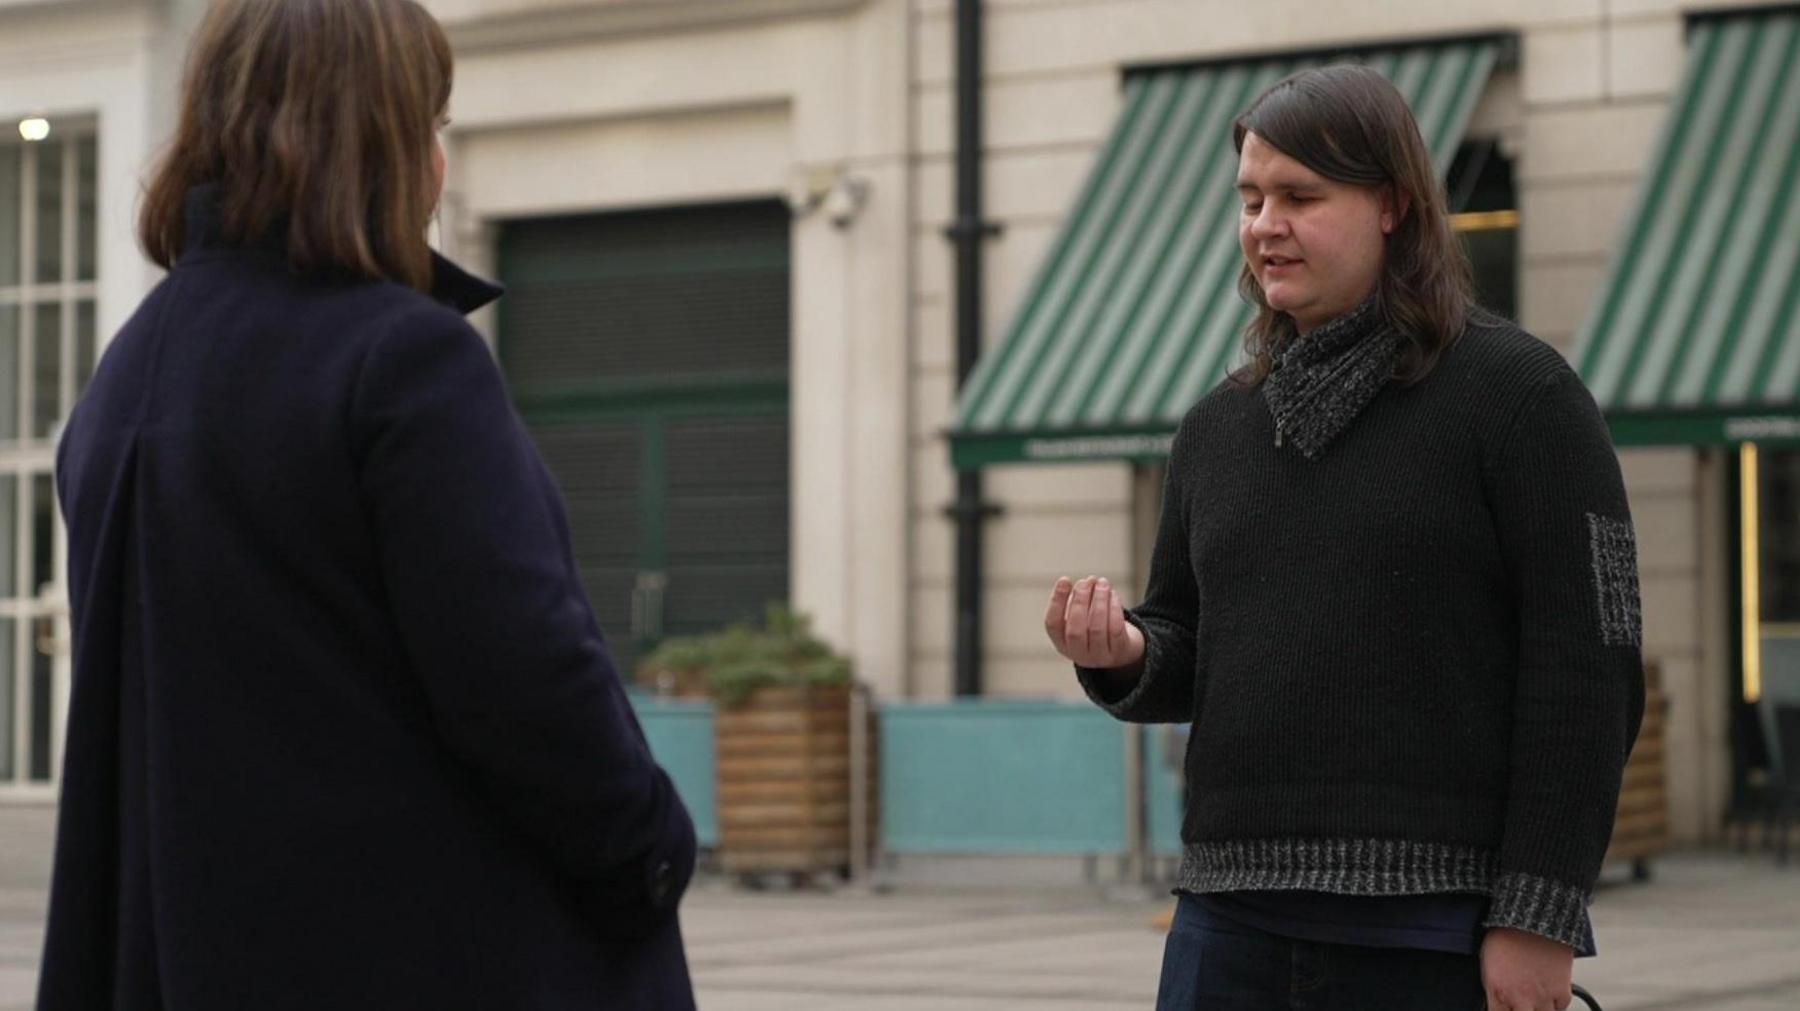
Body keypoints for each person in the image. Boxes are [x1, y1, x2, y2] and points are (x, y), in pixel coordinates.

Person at [39, 1, 697, 1007]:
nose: (440, 158)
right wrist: (650, 850)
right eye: (430, 123)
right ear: (379, 136)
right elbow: (524, 682)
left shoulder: (128, 373)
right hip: (420, 950)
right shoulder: (401, 360)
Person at [1045, 65, 1644, 1011]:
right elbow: (1190, 644)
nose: (1263, 224)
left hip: (1434, 934)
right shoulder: (1214, 429)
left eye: (1299, 196)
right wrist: (1125, 653)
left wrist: (1539, 916)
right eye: (1250, 197)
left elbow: (1592, 669)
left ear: (1393, 206)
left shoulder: (1525, 398)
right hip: (1224, 924)